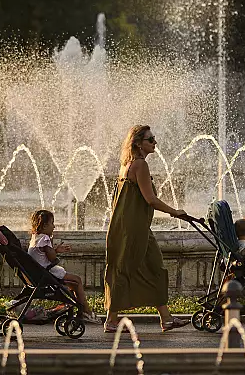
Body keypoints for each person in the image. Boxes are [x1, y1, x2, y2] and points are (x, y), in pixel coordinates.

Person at [104, 125, 190, 333]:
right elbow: (150, 199)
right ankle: (111, 321)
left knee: (153, 266)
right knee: (125, 268)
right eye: (150, 140)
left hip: (131, 225)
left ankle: (166, 318)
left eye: (154, 139)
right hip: (132, 227)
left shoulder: (127, 164)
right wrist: (174, 212)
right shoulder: (140, 165)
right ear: (138, 143)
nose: (155, 143)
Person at [28, 209, 101, 324]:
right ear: (45, 225)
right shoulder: (45, 239)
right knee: (77, 280)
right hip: (47, 273)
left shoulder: (35, 238)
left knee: (73, 284)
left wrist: (54, 249)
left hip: (40, 273)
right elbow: (52, 258)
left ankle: (81, 309)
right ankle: (86, 310)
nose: (54, 226)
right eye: (52, 223)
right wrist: (55, 249)